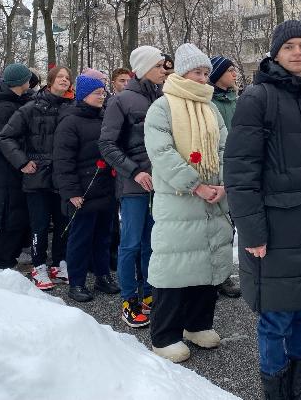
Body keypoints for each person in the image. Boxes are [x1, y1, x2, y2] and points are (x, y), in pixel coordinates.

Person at [225, 21, 301, 399]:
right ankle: (275, 390)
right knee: (276, 318)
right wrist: (252, 231)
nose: (298, 52)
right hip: (275, 227)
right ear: (275, 53)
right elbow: (239, 170)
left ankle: (296, 390)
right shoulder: (257, 97)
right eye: (289, 46)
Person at [143, 43, 233, 364]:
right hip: (181, 201)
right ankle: (164, 335)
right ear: (182, 73)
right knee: (174, 269)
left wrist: (222, 183)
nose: (204, 78)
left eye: (206, 72)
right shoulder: (162, 107)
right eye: (198, 72)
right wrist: (195, 185)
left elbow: (224, 147)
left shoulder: (210, 108)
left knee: (206, 267)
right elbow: (162, 153)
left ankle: (197, 325)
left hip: (213, 200)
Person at [99, 46, 169, 328]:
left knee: (152, 243)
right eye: (158, 66)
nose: (163, 70)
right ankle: (129, 299)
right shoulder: (121, 101)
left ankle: (150, 292)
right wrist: (135, 172)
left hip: (160, 184)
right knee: (130, 244)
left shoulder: (163, 97)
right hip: (133, 185)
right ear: (143, 68)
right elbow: (106, 145)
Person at [0, 65, 73, 290]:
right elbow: (6, 137)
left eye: (67, 77)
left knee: (63, 222)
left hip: (63, 176)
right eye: (60, 76)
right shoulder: (30, 108)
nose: (64, 80)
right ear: (50, 81)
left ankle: (60, 262)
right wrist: (22, 161)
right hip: (38, 176)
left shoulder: (72, 108)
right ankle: (38, 264)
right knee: (39, 224)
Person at [54, 75, 120, 303]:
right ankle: (77, 282)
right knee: (80, 239)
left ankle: (103, 276)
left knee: (104, 236)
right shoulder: (70, 122)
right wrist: (71, 192)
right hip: (82, 192)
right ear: (83, 95)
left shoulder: (105, 118)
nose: (102, 96)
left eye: (103, 92)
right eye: (97, 93)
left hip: (105, 188)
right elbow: (63, 161)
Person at [0, 64, 33, 270]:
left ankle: (6, 258)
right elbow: (0, 141)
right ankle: (2, 261)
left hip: (10, 168)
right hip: (7, 170)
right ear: (21, 81)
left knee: (13, 215)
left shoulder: (10, 102)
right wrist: (21, 160)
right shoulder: (6, 107)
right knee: (7, 216)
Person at [209, 55, 242, 299]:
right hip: (218, 167)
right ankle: (215, 276)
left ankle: (225, 273)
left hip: (240, 165)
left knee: (234, 225)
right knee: (219, 225)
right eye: (229, 70)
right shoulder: (210, 102)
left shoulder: (236, 100)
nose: (234, 74)